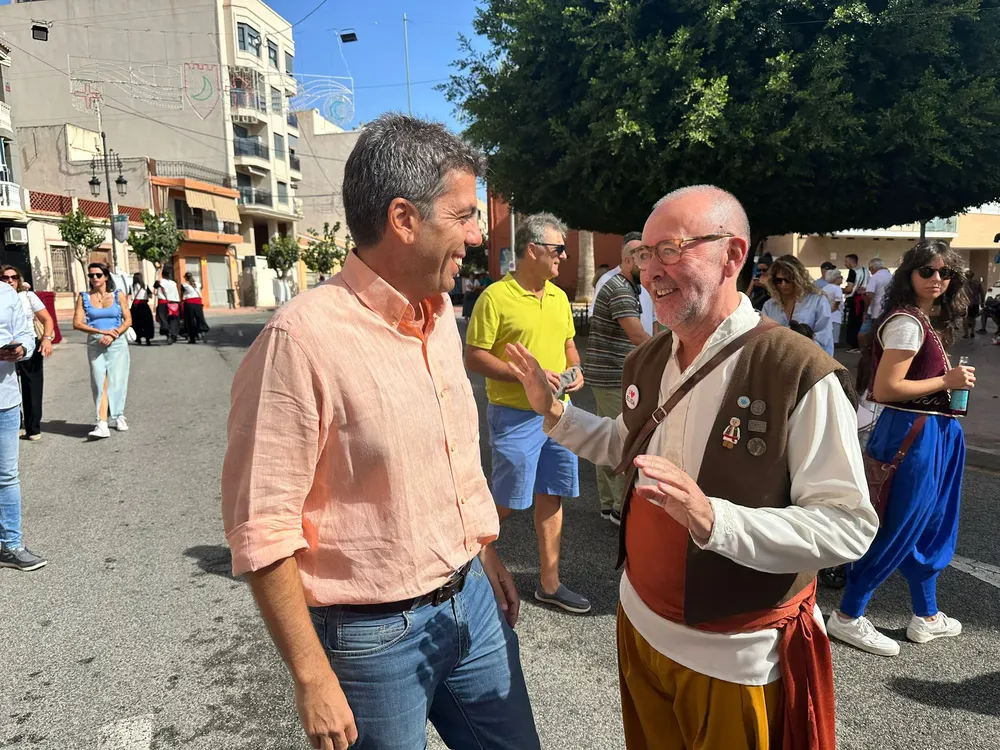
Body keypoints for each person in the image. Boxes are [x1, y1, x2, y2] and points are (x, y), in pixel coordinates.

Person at [505, 184, 875, 750]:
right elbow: (625, 445)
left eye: (672, 249)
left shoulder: (797, 371)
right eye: (645, 253)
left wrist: (713, 519)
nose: (652, 270)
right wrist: (554, 413)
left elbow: (848, 525)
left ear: (733, 255)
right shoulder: (648, 358)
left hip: (732, 657)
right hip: (638, 624)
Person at [222, 114, 539, 750]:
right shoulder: (300, 340)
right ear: (403, 219)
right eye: (463, 215)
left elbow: (450, 464)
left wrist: (483, 551)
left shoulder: (441, 317)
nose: (477, 236)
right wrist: (312, 676)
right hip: (371, 639)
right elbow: (263, 526)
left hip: (472, 601)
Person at [828, 240, 973, 657]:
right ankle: (848, 615)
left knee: (929, 525)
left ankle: (926, 615)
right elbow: (888, 387)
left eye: (945, 273)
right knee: (899, 522)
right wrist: (947, 382)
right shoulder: (908, 322)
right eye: (927, 270)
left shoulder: (922, 320)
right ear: (909, 273)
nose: (937, 279)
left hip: (932, 432)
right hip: (914, 434)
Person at [466, 212, 591, 615]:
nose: (564, 257)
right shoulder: (495, 297)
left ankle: (550, 584)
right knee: (507, 499)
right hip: (515, 416)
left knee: (551, 493)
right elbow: (474, 356)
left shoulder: (558, 297)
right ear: (533, 250)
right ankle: (464, 553)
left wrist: (575, 369)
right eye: (558, 249)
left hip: (559, 414)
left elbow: (569, 345)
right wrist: (526, 376)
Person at [584, 232, 650, 524]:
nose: (648, 265)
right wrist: (671, 351)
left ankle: (608, 503)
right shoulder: (621, 290)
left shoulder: (625, 286)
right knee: (621, 440)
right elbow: (637, 335)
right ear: (628, 260)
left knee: (606, 435)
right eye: (643, 259)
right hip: (612, 376)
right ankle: (622, 509)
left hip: (606, 375)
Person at [0, 279, 43, 571]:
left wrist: (22, 350)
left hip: (5, 400)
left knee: (7, 476)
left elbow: (26, 333)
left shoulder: (6, 293)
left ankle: (11, 545)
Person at [73, 263, 132, 439]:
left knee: (117, 381)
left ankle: (119, 415)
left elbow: (128, 320)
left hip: (117, 342)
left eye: (98, 275)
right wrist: (100, 332)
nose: (94, 278)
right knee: (100, 382)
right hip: (95, 343)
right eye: (91, 275)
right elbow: (77, 323)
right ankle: (102, 423)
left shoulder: (117, 295)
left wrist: (114, 333)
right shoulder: (83, 297)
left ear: (106, 276)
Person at [1, 267, 54, 441]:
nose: (10, 280)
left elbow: (47, 319)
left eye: (13, 277)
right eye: (5, 277)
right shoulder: (2, 297)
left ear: (19, 279)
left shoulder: (28, 296)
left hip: (28, 345)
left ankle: (33, 428)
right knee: (9, 386)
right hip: (6, 347)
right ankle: (16, 424)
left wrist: (46, 339)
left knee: (32, 386)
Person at [762, 255, 836, 355]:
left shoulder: (817, 300)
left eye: (788, 279)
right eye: (779, 280)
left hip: (810, 357)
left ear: (798, 278)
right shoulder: (770, 305)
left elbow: (824, 336)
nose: (783, 284)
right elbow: (763, 336)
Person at [856, 258, 893, 393]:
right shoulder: (891, 277)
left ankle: (866, 356)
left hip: (875, 313)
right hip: (888, 312)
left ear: (872, 268)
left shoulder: (875, 277)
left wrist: (865, 310)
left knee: (863, 335)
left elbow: (869, 295)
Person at [592, 258, 655, 335]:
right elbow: (636, 335)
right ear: (628, 261)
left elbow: (653, 318)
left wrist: (657, 341)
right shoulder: (609, 282)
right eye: (641, 260)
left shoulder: (646, 281)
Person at [843, 254, 870, 351]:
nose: (845, 263)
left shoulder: (852, 271)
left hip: (855, 300)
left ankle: (854, 345)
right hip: (864, 298)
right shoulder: (865, 270)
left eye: (846, 261)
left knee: (853, 323)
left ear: (851, 261)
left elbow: (849, 289)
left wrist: (841, 290)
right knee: (860, 322)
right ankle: (860, 345)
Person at [155, 267, 181, 344]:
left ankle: (167, 332)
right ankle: (173, 333)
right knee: (173, 320)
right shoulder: (173, 283)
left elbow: (155, 291)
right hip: (174, 303)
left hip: (163, 303)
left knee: (163, 319)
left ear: (162, 274)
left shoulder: (159, 282)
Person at [182, 272, 209, 344]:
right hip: (198, 303)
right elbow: (201, 288)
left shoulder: (184, 285)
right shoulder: (198, 284)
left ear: (185, 278)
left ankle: (192, 338)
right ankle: (202, 334)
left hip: (189, 304)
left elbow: (182, 293)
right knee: (200, 319)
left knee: (190, 321)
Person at [822, 268, 845, 346]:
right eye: (840, 277)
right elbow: (838, 299)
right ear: (836, 278)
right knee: (834, 338)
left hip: (826, 314)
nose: (842, 279)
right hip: (835, 314)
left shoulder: (825, 288)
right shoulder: (837, 288)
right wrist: (834, 307)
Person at [130, 273, 155, 345]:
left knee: (136, 323)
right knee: (147, 322)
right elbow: (150, 296)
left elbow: (129, 296)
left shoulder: (131, 287)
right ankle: (147, 338)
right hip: (144, 306)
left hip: (135, 307)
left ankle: (138, 338)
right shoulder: (145, 286)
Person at [962, 269, 983, 339]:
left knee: (965, 318)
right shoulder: (977, 283)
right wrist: (982, 302)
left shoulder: (963, 283)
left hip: (965, 303)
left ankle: (966, 334)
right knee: (973, 318)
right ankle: (972, 332)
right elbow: (982, 293)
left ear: (965, 275)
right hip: (975, 303)